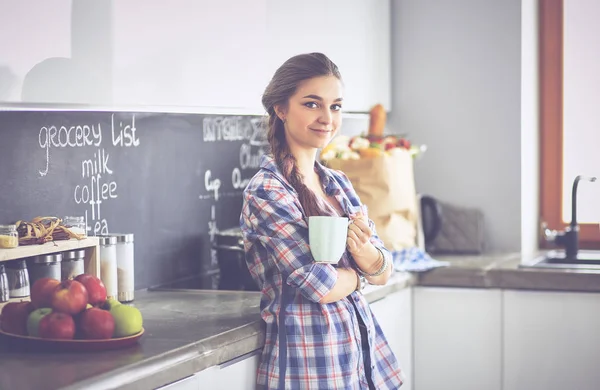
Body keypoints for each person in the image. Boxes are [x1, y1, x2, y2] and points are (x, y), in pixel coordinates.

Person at [240, 52, 404, 389]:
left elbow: (385, 267)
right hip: (311, 370)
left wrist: (366, 265)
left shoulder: (337, 183)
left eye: (336, 106)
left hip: (359, 364)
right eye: (312, 104)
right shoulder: (268, 190)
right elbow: (320, 284)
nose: (327, 118)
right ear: (280, 109)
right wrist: (362, 273)